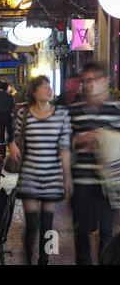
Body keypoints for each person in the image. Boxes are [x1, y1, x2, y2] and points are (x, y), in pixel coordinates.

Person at [9, 75, 72, 265]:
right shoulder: (25, 114)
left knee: (47, 224)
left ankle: (44, 260)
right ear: (34, 92)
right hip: (30, 174)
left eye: (49, 86)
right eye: (44, 87)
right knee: (32, 223)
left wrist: (67, 177)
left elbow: (65, 147)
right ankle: (28, 258)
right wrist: (12, 146)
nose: (48, 89)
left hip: (53, 175)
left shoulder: (61, 113)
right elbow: (14, 135)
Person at [69, 62, 120, 265]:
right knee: (81, 228)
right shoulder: (74, 111)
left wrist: (105, 140)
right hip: (81, 179)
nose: (90, 84)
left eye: (95, 79)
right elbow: (65, 142)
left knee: (107, 230)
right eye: (86, 80)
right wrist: (79, 141)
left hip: (108, 181)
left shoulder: (115, 110)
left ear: (105, 80)